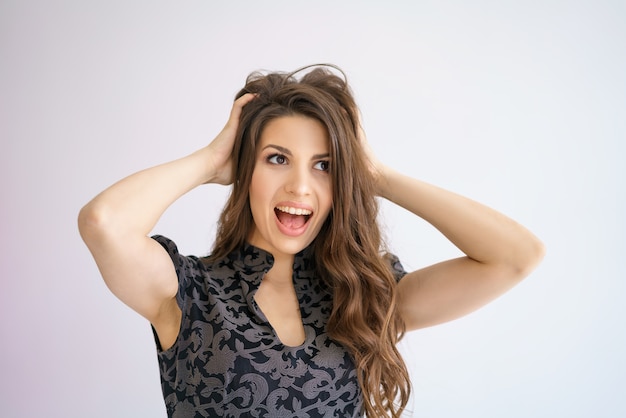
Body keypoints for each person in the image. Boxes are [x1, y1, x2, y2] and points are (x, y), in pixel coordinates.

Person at [78, 64, 544, 418]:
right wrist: (210, 160)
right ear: (246, 171)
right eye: (277, 159)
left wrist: (376, 175)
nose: (301, 187)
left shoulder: (364, 295)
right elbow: (104, 223)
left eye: (324, 165)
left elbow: (516, 257)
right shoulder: (188, 292)